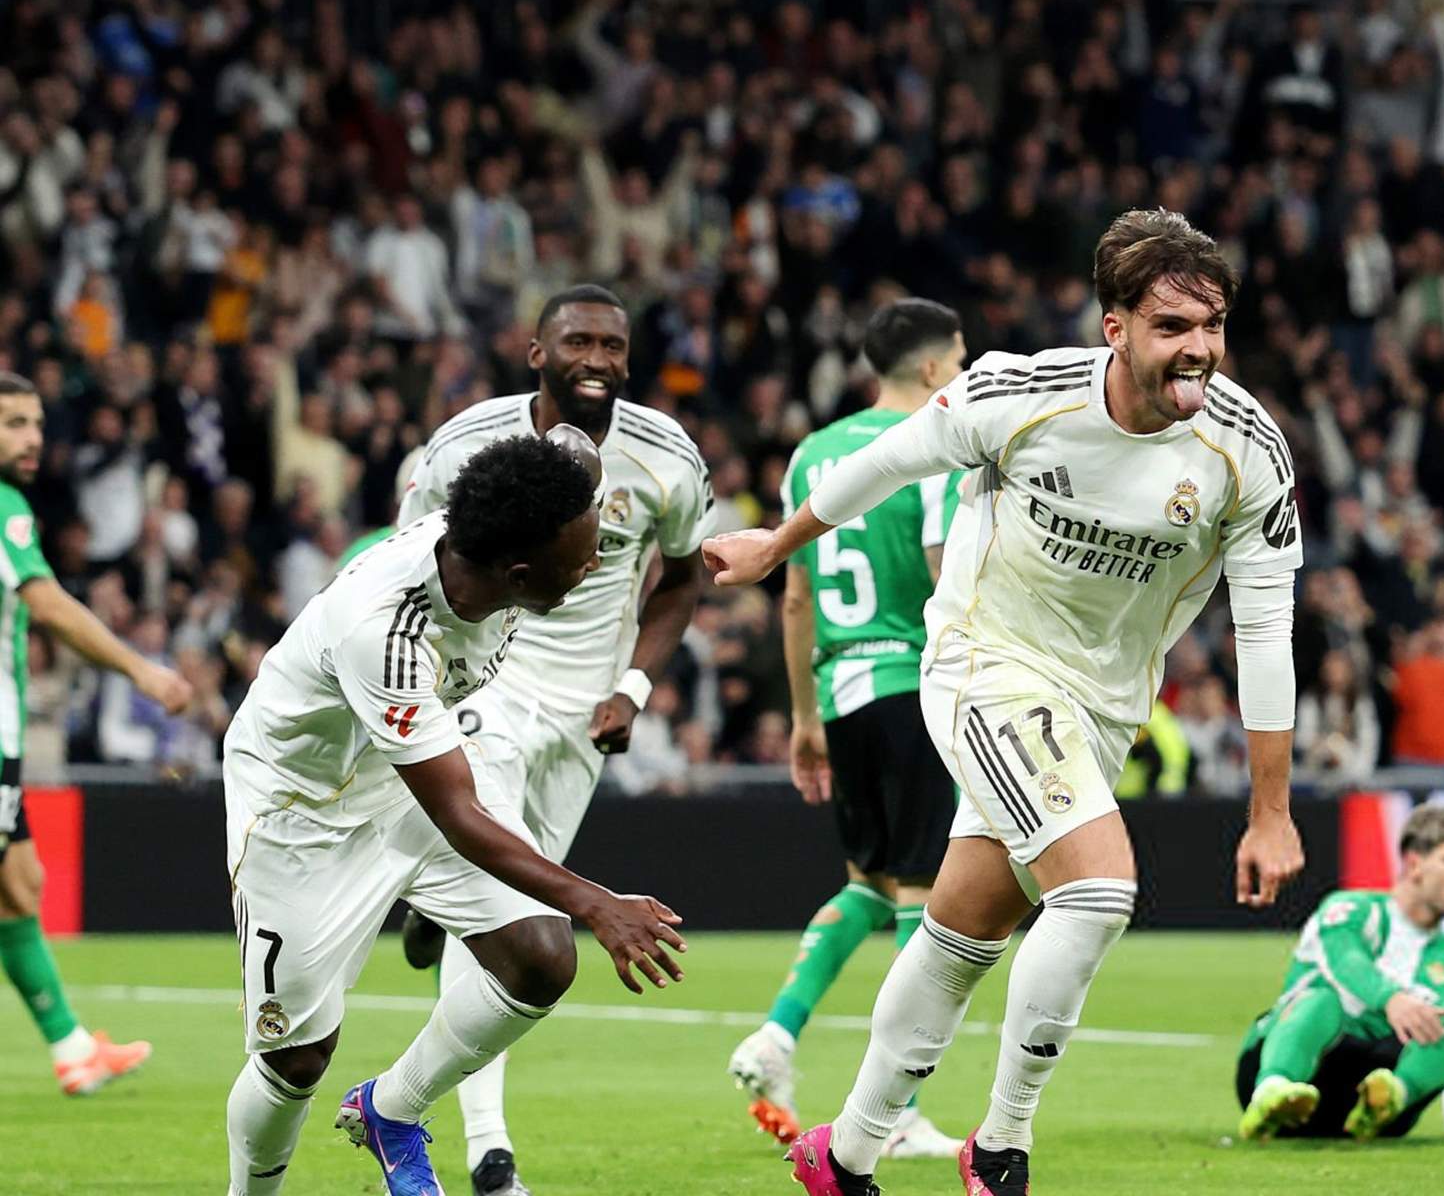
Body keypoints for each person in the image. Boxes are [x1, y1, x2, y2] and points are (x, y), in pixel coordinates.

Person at [704, 208, 1307, 1196]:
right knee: (1098, 888)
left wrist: (1270, 808)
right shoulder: (1017, 393)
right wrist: (776, 543)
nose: (1196, 348)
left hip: (1103, 706)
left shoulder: (1247, 452)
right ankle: (999, 1146)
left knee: (962, 931)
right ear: (1113, 328)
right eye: (1170, 327)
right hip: (984, 664)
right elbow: (888, 461)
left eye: (1211, 326)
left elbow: (1264, 630)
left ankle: (843, 1155)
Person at [221, 433, 689, 1196]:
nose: (594, 565)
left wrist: (581, 456)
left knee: (540, 955)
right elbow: (460, 816)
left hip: (410, 772)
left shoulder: (493, 543)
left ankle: (390, 1110)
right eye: (581, 558)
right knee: (296, 1058)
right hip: (300, 811)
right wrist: (598, 905)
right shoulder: (385, 628)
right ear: (521, 574)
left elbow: (563, 474)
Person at [393, 285, 712, 1194]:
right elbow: (408, 557)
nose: (599, 360)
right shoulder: (468, 442)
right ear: (538, 353)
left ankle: (433, 902)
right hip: (483, 685)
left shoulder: (667, 459)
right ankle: (488, 1150)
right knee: (509, 914)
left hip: (585, 717)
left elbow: (682, 580)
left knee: (504, 902)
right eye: (578, 342)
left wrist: (634, 684)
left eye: (613, 345)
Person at [727, 298, 966, 1160]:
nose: (967, 373)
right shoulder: (939, 446)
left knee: (868, 884)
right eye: (963, 358)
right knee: (922, 899)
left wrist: (802, 717)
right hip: (912, 685)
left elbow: (793, 595)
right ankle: (895, 1110)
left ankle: (777, 1035)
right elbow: (948, 583)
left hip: (840, 691)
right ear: (936, 369)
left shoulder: (811, 453)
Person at [0, 371, 192, 1095]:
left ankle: (72, 1050)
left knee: (20, 886)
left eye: (36, 424)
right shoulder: (5, 507)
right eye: (13, 423)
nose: (31, 439)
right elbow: (46, 604)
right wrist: (141, 671)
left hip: (6, 746)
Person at [1235, 804, 1444, 1143]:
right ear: (1414, 863)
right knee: (1320, 1000)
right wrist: (1392, 999)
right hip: (1301, 1066)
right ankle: (1273, 1091)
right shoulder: (1353, 911)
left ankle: (1390, 1100)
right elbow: (1345, 962)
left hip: (1372, 1093)